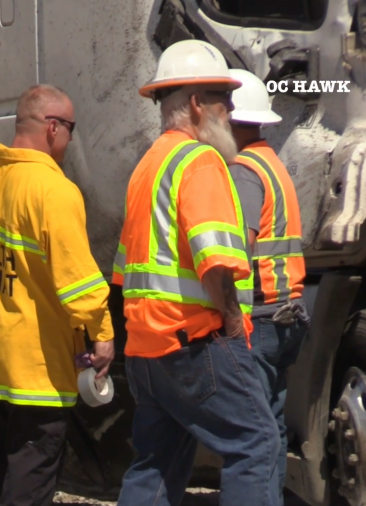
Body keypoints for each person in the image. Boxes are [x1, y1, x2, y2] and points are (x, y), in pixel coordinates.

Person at [112, 39, 280, 506]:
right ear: (193, 104)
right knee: (257, 443)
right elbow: (216, 262)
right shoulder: (199, 160)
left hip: (148, 347)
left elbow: (128, 269)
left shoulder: (148, 165)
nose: (230, 107)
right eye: (221, 97)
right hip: (194, 341)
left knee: (156, 463)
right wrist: (231, 325)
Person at [0, 84, 115, 506]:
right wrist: (103, 333)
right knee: (29, 483)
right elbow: (77, 280)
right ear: (53, 128)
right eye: (71, 129)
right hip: (33, 368)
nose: (72, 140)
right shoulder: (54, 190)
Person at [227, 68, 310, 503]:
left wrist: (229, 321)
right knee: (270, 428)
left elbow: (238, 249)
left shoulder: (242, 170)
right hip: (286, 313)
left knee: (250, 437)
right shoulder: (272, 162)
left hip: (258, 319)